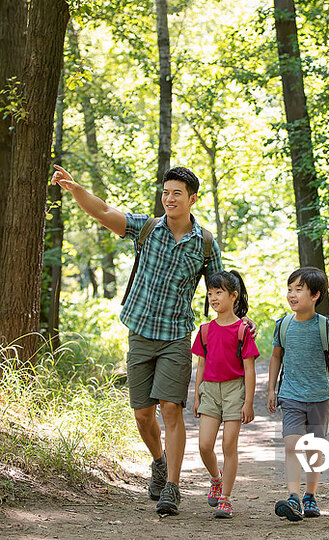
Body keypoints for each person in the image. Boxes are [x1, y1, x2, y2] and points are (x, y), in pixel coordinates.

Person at [51, 164, 255, 516]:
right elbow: (103, 211)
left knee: (170, 408)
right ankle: (159, 462)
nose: (169, 198)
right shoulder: (146, 228)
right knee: (143, 415)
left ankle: (172, 487)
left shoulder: (205, 243)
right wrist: (75, 189)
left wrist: (239, 320)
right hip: (140, 332)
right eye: (166, 192)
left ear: (192, 199)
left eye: (177, 193)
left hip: (176, 335)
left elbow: (219, 286)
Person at [267, 267, 329, 522]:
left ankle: (310, 495)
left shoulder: (324, 325)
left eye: (299, 289)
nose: (292, 294)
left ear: (315, 295)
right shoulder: (283, 325)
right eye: (290, 289)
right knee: (292, 444)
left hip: (319, 394)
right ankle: (293, 497)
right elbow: (276, 356)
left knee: (315, 450)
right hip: (291, 394)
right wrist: (271, 390)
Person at [191, 270, 259, 519]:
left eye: (219, 292)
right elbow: (201, 363)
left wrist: (248, 403)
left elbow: (249, 369)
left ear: (234, 296)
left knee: (229, 444)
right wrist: (197, 394)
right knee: (204, 445)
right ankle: (216, 479)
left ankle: (226, 499)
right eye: (210, 293)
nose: (213, 297)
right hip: (209, 390)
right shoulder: (206, 329)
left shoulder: (243, 330)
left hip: (234, 391)